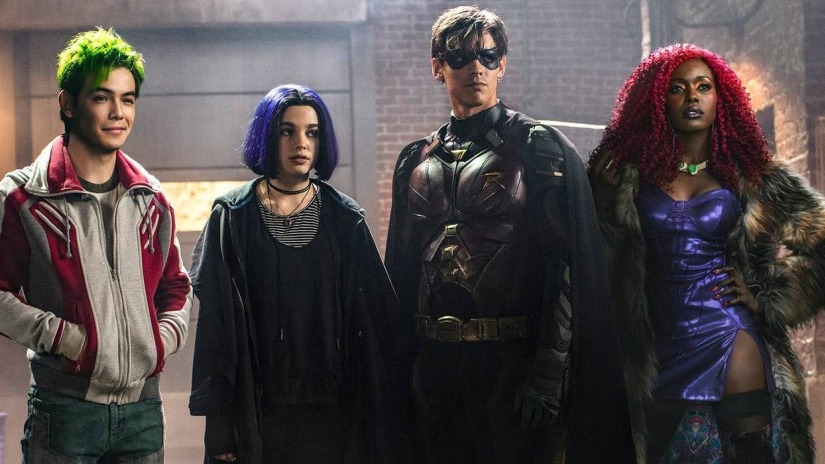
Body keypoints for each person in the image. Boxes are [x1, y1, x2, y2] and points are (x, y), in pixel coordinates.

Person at [384, 6, 635, 463]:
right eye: (459, 57)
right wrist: (399, 368)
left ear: (502, 64)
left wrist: (548, 370)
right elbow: (402, 269)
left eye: (487, 55)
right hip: (434, 364)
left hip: (511, 366)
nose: (475, 68)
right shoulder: (415, 159)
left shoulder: (536, 146)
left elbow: (566, 263)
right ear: (438, 67)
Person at [589, 43, 825, 463]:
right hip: (656, 343)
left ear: (721, 98)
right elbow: (593, 260)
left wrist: (768, 297)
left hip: (729, 333)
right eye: (677, 88)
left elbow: (819, 237)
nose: (692, 97)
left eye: (703, 87)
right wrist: (601, 204)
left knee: (751, 456)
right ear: (658, 101)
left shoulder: (753, 175)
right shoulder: (623, 177)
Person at [189, 84, 410, 463]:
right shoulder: (233, 217)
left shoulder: (345, 220)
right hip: (257, 409)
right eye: (287, 131)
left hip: (334, 412)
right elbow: (216, 330)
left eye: (312, 132)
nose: (301, 143)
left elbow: (376, 326)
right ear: (267, 136)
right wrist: (220, 427)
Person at [0, 28, 192, 463]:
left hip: (143, 413)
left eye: (128, 99)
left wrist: (158, 343)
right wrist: (66, 339)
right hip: (65, 411)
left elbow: (177, 288)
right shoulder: (24, 198)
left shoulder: (151, 198)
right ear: (68, 104)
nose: (118, 113)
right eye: (102, 97)